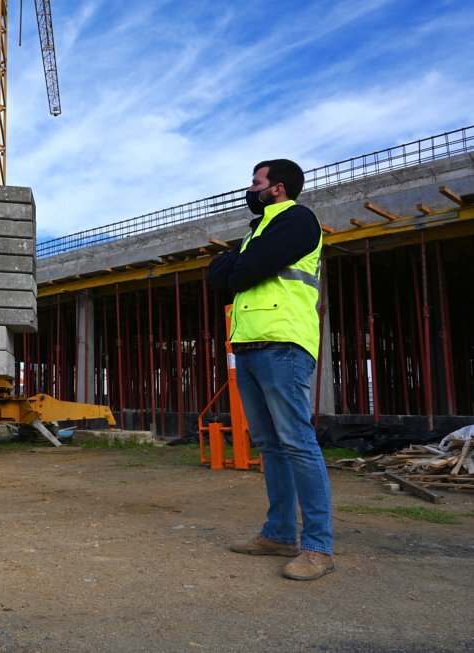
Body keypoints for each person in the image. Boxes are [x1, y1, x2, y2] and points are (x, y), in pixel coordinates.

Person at [207, 159, 334, 581]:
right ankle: (279, 533)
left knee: (297, 442)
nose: (250, 187)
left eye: (256, 182)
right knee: (270, 444)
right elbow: (220, 276)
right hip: (249, 346)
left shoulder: (298, 219)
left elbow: (243, 272)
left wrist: (238, 264)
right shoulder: (257, 231)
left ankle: (318, 547)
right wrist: (238, 262)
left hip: (284, 343)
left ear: (276, 188)